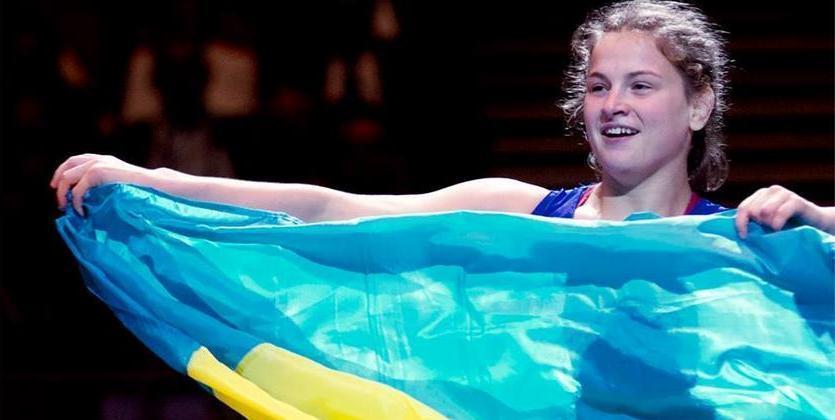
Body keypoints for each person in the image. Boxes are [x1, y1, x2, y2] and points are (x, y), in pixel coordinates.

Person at [50, 0, 835, 239]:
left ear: (698, 103)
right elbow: (327, 207)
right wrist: (151, 177)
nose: (613, 105)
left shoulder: (749, 240)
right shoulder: (516, 208)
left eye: (640, 85)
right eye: (598, 86)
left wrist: (817, 219)